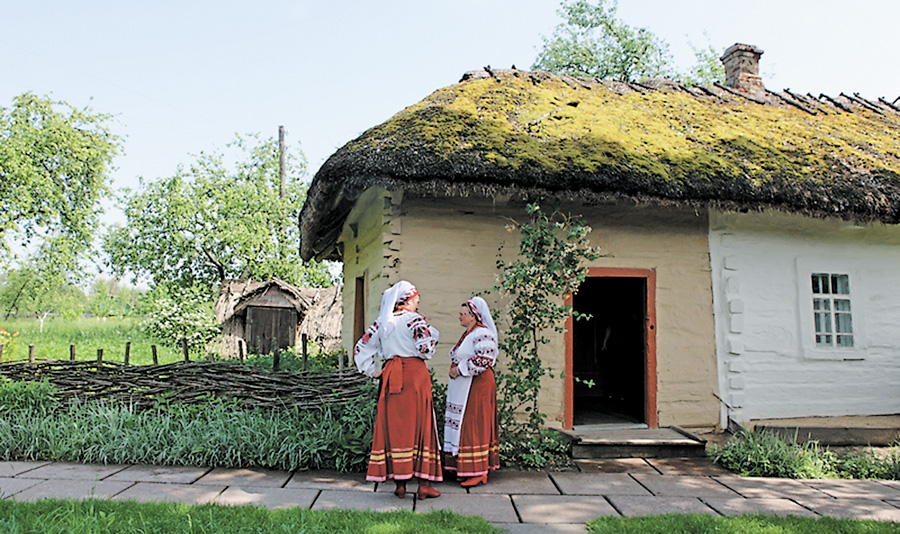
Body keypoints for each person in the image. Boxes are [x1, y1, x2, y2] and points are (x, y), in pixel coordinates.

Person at [353, 280, 443, 500]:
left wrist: (371, 371)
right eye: (416, 302)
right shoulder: (415, 321)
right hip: (415, 377)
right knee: (422, 424)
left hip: (391, 374)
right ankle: (424, 485)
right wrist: (430, 331)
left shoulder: (382, 322)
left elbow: (360, 347)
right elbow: (426, 350)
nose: (417, 306)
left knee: (396, 426)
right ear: (409, 301)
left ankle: (400, 484)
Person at [443, 296, 500, 487]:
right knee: (464, 424)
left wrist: (459, 370)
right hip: (466, 387)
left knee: (474, 424)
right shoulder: (470, 333)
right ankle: (465, 468)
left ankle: (479, 470)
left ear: (474, 316)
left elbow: (485, 359)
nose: (459, 317)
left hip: (478, 385)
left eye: (463, 314)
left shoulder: (482, 333)